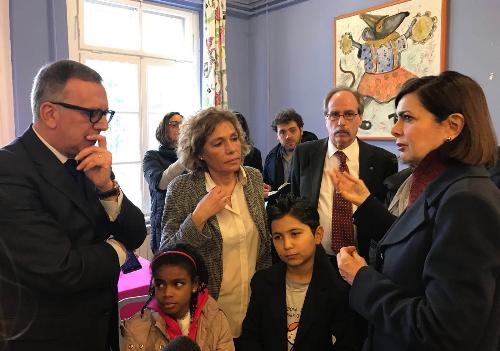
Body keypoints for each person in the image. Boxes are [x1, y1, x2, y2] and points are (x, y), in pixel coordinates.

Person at [335, 71, 500, 351]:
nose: (395, 130)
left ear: (452, 126)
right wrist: (365, 204)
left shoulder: (467, 202)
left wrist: (361, 278)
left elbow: (442, 330)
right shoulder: (440, 184)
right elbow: (418, 246)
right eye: (396, 118)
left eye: (407, 118)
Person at [0, 59, 146, 350]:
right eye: (93, 114)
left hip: (98, 329)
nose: (103, 125)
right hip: (45, 337)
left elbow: (135, 234)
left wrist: (107, 187)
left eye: (106, 114)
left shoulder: (88, 160)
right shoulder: (10, 169)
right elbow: (61, 269)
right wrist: (118, 248)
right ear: (50, 113)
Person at [160, 108, 272, 339]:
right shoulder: (183, 189)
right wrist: (198, 217)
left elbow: (263, 248)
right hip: (207, 316)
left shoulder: (252, 179)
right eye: (218, 143)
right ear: (200, 152)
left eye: (234, 139)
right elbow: (166, 255)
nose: (232, 149)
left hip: (255, 311)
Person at [239, 195, 361, 351]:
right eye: (278, 237)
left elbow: (348, 343)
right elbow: (250, 338)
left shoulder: (338, 289)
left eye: (295, 234)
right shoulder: (263, 282)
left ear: (317, 235)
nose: (287, 245)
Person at [289, 87, 397, 261]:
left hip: (362, 262)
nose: (341, 122)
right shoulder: (304, 154)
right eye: (334, 115)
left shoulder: (383, 161)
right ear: (326, 119)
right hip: (315, 260)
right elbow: (294, 205)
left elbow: (384, 219)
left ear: (360, 118)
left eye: (348, 114)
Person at [121, 243, 234, 351]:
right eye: (160, 284)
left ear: (194, 284)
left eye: (178, 284)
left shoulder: (216, 321)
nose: (167, 293)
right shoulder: (136, 329)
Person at [144, 112, 184, 253]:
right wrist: (185, 159)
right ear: (163, 130)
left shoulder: (193, 158)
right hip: (163, 225)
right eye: (174, 124)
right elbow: (160, 183)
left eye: (183, 124)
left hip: (190, 222)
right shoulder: (152, 156)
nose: (180, 127)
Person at [263, 109, 318, 191]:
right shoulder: (271, 159)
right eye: (282, 132)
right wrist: (269, 189)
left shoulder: (316, 152)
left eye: (292, 130)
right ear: (277, 136)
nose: (288, 136)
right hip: (280, 203)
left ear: (301, 130)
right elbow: (269, 186)